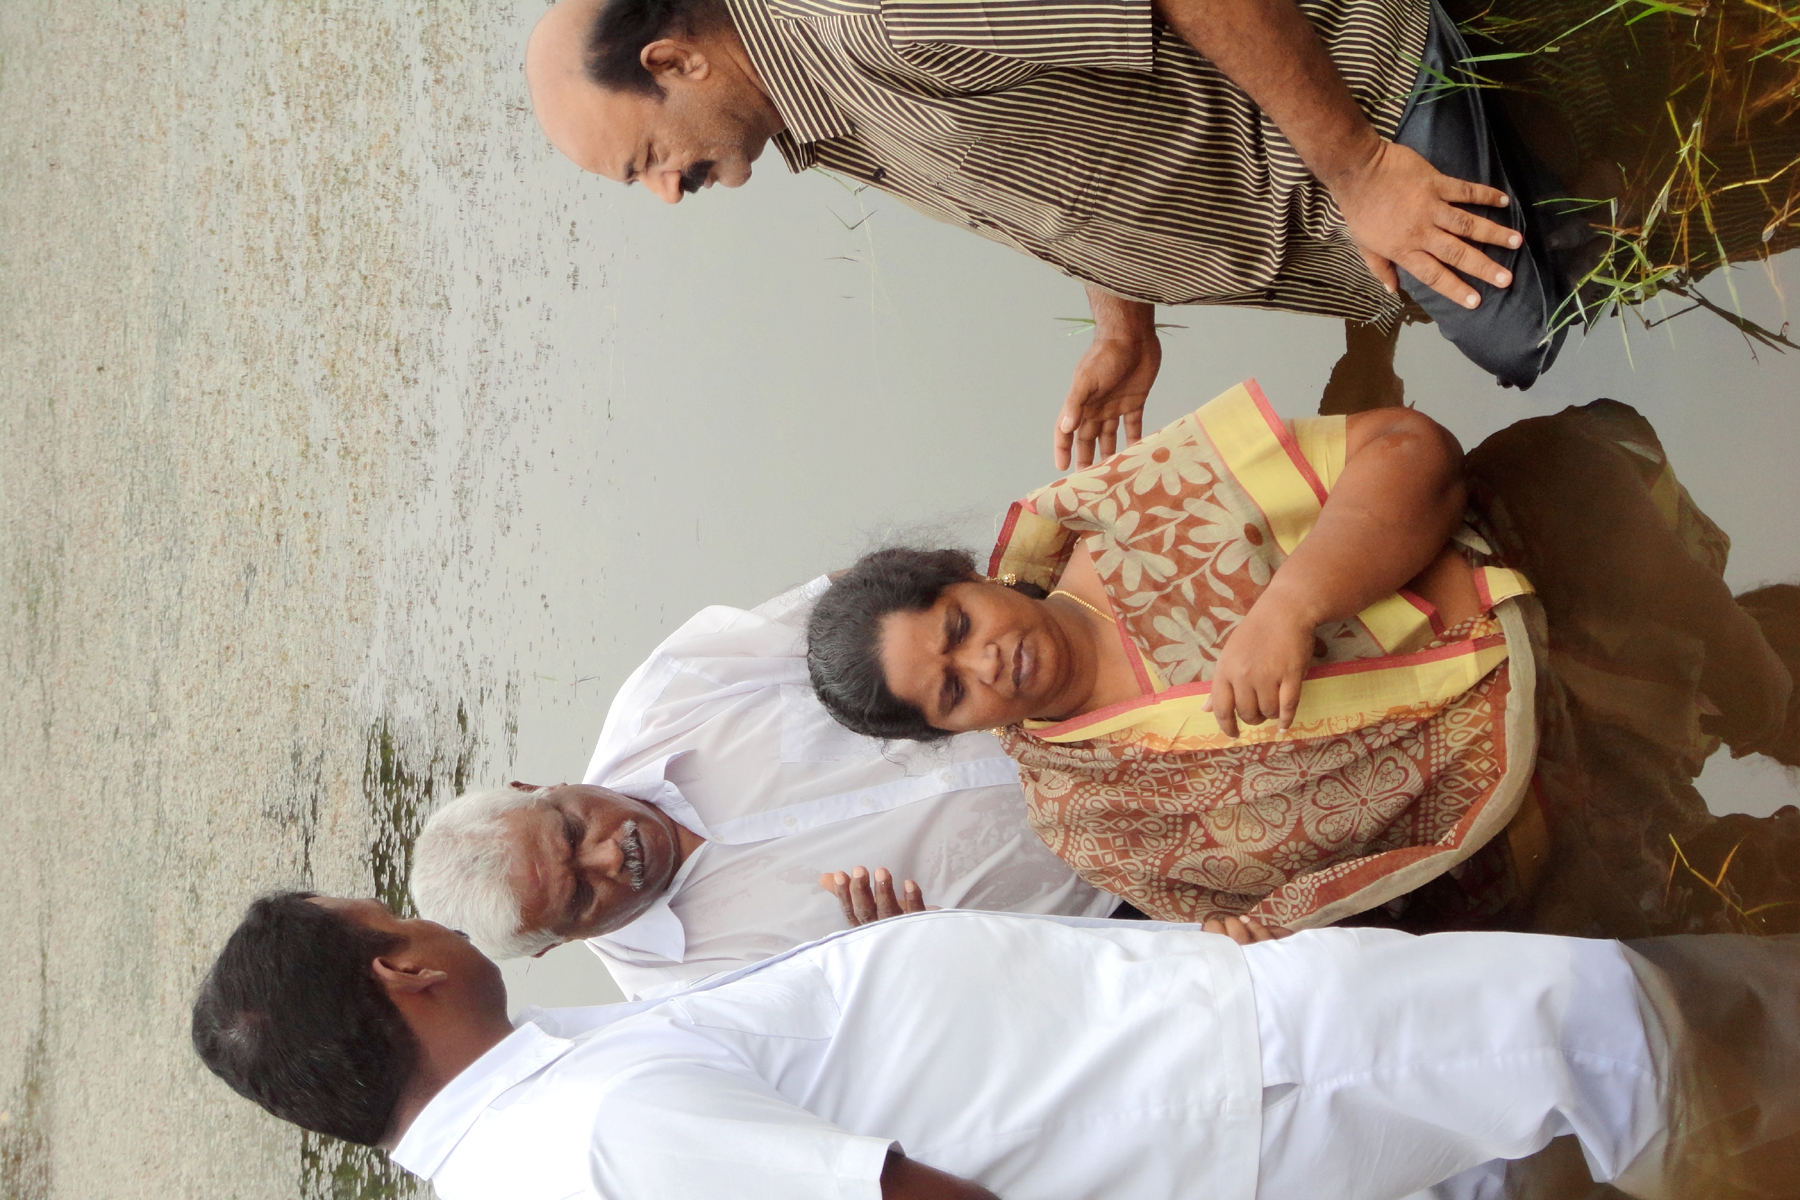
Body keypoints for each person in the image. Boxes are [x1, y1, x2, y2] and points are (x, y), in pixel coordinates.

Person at [523, 0, 1800, 465]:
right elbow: (1074, 118)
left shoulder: (869, 21)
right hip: (1443, 210)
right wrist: (1120, 318)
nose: (667, 194)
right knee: (1744, 198)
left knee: (1756, 117)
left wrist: (1356, 166)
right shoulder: (823, 107)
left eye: (646, 162)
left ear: (674, 59)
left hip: (1473, 117)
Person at [806, 381, 1799, 937]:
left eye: (957, 627)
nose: (986, 663)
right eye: (951, 692)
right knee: (1647, 922)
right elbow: (1274, 928)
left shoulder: (1117, 516)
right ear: (950, 731)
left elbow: (1410, 449)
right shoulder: (1087, 819)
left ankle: (1772, 704)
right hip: (1514, 822)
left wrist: (1293, 605)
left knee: (1561, 471)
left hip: (1539, 579)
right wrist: (1256, 940)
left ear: (964, 576)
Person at [191, 892, 1800, 1199]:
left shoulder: (528, 1140)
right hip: (1215, 1092)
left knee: (1546, 1133)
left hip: (1197, 1096)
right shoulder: (596, 1135)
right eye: (389, 910)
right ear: (403, 968)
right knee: (1613, 1025)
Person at [410, 577, 1115, 999]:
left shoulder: (674, 694)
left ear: (538, 785)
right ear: (555, 945)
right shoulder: (693, 998)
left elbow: (888, 599)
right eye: (579, 896)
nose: (609, 854)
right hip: (1129, 892)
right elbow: (924, 1046)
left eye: (570, 830)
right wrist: (897, 965)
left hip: (1100, 693)